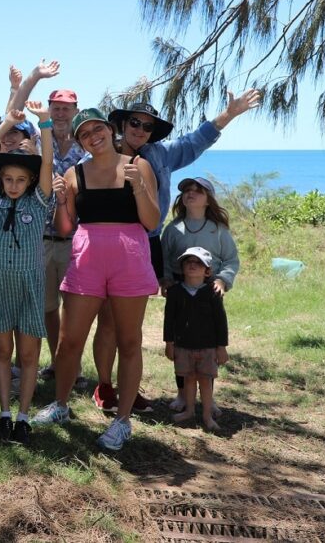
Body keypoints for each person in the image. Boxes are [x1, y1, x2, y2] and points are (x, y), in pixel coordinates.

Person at [89, 90, 259, 413]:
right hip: (108, 244)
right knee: (108, 320)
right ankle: (104, 386)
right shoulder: (102, 155)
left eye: (147, 127)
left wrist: (230, 114)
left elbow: (197, 140)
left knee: (131, 326)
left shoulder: (160, 155)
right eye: (135, 122)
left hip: (145, 242)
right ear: (122, 124)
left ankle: (127, 387)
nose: (140, 130)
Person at [32, 107, 160, 452]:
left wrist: (138, 189)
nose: (93, 136)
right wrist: (61, 200)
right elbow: (64, 227)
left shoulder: (138, 166)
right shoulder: (75, 174)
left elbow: (151, 221)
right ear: (80, 140)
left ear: (110, 129)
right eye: (84, 133)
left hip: (129, 258)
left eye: (97, 128)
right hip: (87, 256)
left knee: (129, 341)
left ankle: (122, 421)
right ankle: (61, 405)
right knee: (70, 340)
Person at [0, 105, 55, 444]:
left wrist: (45, 124)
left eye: (21, 180)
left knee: (30, 354)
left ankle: (24, 416)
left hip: (29, 286)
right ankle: (4, 414)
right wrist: (9, 122)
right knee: (3, 351)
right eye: (8, 178)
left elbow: (47, 162)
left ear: (31, 181)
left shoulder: (39, 202)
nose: (14, 185)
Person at [161, 176, 239, 413]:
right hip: (179, 290)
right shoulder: (173, 229)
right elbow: (164, 259)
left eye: (198, 191)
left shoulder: (218, 229)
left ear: (208, 200)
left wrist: (222, 281)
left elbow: (231, 260)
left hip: (208, 291)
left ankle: (208, 398)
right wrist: (166, 280)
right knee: (182, 345)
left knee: (206, 346)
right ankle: (183, 394)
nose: (190, 194)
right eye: (186, 190)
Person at [36, 89, 85, 382]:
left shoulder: (87, 145)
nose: (61, 113)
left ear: (76, 110)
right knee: (48, 308)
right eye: (56, 107)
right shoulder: (38, 141)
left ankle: (74, 368)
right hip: (42, 238)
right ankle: (57, 363)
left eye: (67, 108)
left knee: (75, 310)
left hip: (76, 240)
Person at [163, 247, 229, 431]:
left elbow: (220, 321)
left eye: (198, 262)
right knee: (189, 379)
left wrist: (221, 347)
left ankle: (207, 416)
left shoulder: (213, 293)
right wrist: (169, 344)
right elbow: (169, 321)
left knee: (206, 381)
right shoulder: (174, 292)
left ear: (207, 270)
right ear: (181, 267)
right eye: (188, 261)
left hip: (207, 347)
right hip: (183, 346)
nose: (192, 265)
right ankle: (189, 411)